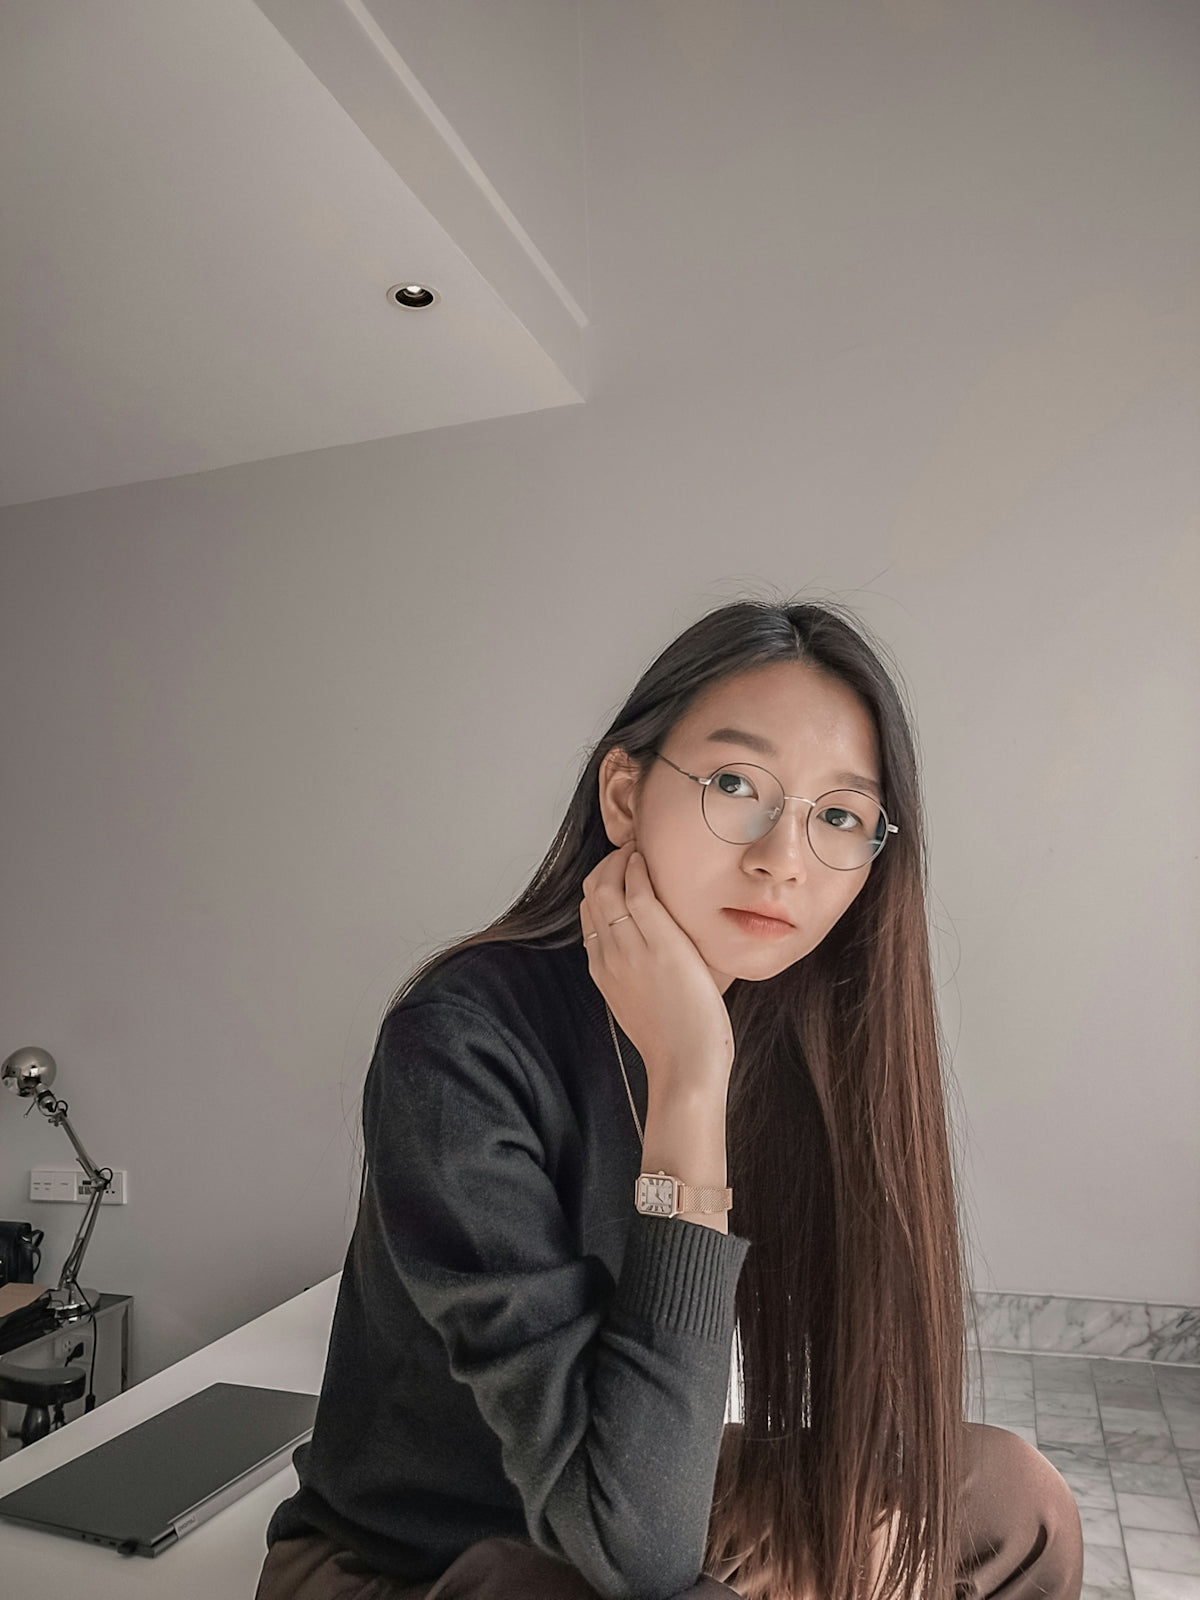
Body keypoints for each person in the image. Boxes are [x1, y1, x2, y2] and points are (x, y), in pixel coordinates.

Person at [255, 597, 1084, 1600]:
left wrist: (827, 1520)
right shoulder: (458, 1041)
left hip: (618, 1493)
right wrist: (690, 1078)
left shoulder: (796, 1027)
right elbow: (635, 1544)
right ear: (623, 793)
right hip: (408, 1556)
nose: (784, 855)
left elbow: (654, 1493)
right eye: (737, 783)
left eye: (839, 816)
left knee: (1011, 1501)